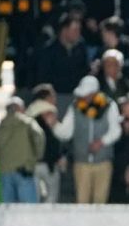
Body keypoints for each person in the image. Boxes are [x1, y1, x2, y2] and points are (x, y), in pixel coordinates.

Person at [53, 76, 123, 204]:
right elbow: (66, 133)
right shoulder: (75, 107)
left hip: (103, 162)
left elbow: (116, 131)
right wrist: (54, 125)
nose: (84, 97)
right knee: (82, 202)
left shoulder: (109, 106)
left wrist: (102, 142)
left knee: (100, 202)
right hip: (82, 162)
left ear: (95, 93)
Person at [0, 97, 46, 203]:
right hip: (24, 169)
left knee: (6, 208)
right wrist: (36, 156)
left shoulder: (0, 128)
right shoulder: (28, 123)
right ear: (20, 108)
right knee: (28, 209)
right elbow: (39, 137)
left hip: (4, 171)